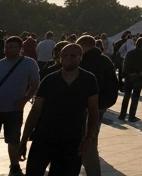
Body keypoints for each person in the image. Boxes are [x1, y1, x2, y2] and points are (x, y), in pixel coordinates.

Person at [19, 42, 99, 176]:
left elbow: (93, 111)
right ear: (60, 58)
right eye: (65, 55)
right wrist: (24, 140)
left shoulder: (89, 79)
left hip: (72, 139)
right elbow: (35, 111)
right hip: (44, 137)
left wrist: (89, 137)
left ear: (80, 57)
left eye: (73, 55)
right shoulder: (49, 80)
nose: (68, 58)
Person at [0, 34, 41, 176]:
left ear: (20, 48)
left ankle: (14, 165)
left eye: (13, 47)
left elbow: (35, 84)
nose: (9, 49)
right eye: (7, 47)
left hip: (14, 109)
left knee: (13, 140)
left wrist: (25, 99)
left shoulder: (29, 63)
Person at [119, 36, 142, 122]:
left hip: (129, 76)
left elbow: (125, 64)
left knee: (127, 95)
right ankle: (132, 116)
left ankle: (122, 114)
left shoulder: (130, 53)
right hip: (139, 77)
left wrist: (125, 74)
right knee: (135, 96)